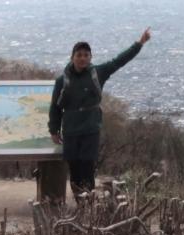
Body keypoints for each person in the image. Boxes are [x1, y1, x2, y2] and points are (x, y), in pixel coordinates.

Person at [49, 27, 152, 195]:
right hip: (71, 130)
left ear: (90, 57)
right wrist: (53, 130)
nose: (82, 58)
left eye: (86, 55)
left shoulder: (97, 73)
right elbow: (55, 106)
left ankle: (88, 203)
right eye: (79, 55)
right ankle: (80, 201)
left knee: (87, 167)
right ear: (72, 57)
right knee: (74, 169)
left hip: (90, 129)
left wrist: (139, 43)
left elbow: (119, 61)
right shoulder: (63, 80)